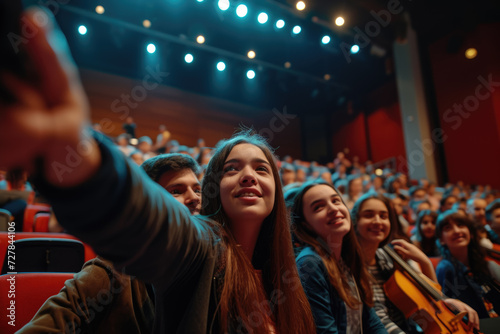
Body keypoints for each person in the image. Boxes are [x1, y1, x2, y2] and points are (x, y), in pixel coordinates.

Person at [1, 8, 315, 333]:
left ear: (277, 187)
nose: (249, 175)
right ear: (216, 190)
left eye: (262, 169)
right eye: (232, 168)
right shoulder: (201, 249)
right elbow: (150, 222)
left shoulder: (288, 276)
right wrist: (77, 159)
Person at [18, 153, 202, 333]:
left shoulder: (213, 266)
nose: (195, 198)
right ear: (147, 207)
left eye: (197, 189)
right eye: (176, 191)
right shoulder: (110, 272)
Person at [351, 193, 479, 334]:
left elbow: (427, 300)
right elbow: (377, 318)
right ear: (355, 221)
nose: (377, 221)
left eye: (383, 216)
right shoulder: (351, 264)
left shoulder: (386, 257)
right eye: (368, 215)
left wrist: (424, 262)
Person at [290, 181, 387, 334]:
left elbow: (371, 321)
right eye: (319, 207)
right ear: (306, 225)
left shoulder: (346, 258)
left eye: (336, 200)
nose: (334, 208)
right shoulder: (309, 264)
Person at [435, 212, 500, 319]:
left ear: (471, 232)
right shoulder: (446, 268)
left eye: (461, 225)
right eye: (448, 228)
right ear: (441, 240)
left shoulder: (486, 265)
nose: (457, 231)